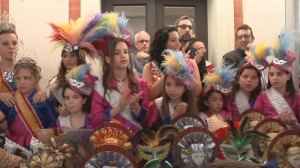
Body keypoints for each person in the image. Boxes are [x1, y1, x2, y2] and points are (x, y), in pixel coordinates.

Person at [89, 12, 150, 133]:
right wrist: (119, 108)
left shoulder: (140, 84)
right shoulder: (99, 86)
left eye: (125, 52)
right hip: (109, 140)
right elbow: (95, 120)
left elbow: (146, 120)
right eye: (117, 53)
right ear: (108, 59)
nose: (123, 56)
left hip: (135, 140)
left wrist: (136, 108)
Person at [48, 14, 99, 116]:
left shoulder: (93, 80)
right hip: (65, 126)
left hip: (86, 124)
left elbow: (96, 106)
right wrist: (59, 110)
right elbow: (51, 107)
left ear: (79, 58)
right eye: (65, 56)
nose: (68, 59)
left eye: (72, 55)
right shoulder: (55, 82)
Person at [0, 57, 57, 148]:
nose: (22, 82)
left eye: (26, 78)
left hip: (37, 148)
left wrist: (49, 132)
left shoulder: (43, 101)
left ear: (36, 78)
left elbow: (54, 126)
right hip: (13, 147)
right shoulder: (9, 100)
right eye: (18, 78)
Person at [254, 31, 300, 130]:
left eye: (279, 74)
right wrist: (276, 119)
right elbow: (255, 125)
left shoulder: (297, 97)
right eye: (271, 74)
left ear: (288, 76)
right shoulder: (262, 96)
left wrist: (293, 125)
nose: (274, 78)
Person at [0, 11, 46, 107]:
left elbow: (38, 89)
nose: (11, 47)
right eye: (5, 44)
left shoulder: (25, 67)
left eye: (14, 43)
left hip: (23, 115)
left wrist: (42, 93)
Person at [142, 26, 202, 101]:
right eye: (173, 40)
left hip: (186, 109)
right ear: (162, 44)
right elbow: (148, 96)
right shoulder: (150, 67)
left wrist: (185, 73)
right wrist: (169, 73)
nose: (178, 44)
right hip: (160, 111)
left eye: (179, 40)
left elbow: (197, 92)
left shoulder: (190, 63)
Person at [149, 50, 197, 127]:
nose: (172, 89)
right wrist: (175, 115)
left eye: (177, 85)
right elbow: (154, 129)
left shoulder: (190, 104)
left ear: (185, 87)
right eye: (168, 85)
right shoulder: (158, 104)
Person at [226, 42, 270, 121]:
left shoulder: (262, 99)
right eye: (245, 77)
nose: (249, 80)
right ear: (238, 79)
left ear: (258, 82)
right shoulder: (229, 98)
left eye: (253, 78)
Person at [56, 64, 95, 134]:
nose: (70, 102)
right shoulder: (61, 120)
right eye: (67, 98)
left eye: (75, 97)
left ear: (84, 100)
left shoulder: (93, 119)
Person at [198, 66, 235, 132]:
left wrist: (229, 123)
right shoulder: (203, 116)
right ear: (206, 102)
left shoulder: (226, 114)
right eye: (214, 100)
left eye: (221, 99)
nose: (219, 103)